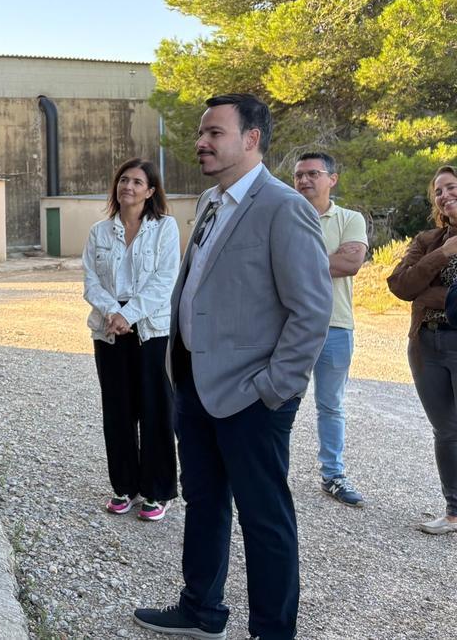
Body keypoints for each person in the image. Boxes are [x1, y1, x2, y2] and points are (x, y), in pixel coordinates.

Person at [133, 94, 331, 640]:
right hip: (195, 387)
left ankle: (272, 632)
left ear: (252, 139)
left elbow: (310, 311)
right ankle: (201, 610)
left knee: (264, 519)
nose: (201, 142)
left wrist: (274, 389)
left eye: (215, 133)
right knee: (203, 502)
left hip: (251, 396)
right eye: (201, 133)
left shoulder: (282, 206)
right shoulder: (212, 201)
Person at [82, 158, 179, 522]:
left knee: (155, 410)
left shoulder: (165, 229)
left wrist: (130, 314)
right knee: (118, 411)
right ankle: (124, 487)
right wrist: (112, 313)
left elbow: (165, 279)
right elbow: (91, 280)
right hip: (109, 330)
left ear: (151, 191)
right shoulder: (99, 231)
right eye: (124, 180)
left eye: (138, 182)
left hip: (151, 327)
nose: (129, 187)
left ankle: (157, 491)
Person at [293, 152, 368, 508]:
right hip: (289, 325)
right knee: (279, 399)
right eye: (299, 175)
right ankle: (268, 469)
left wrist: (298, 262)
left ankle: (333, 475)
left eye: (313, 174)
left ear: (332, 179)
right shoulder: (287, 215)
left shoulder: (350, 218)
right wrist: (326, 259)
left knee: (331, 405)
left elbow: (351, 263)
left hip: (335, 326)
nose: (305, 180)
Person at [389, 165, 457, 536]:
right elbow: (400, 285)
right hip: (427, 344)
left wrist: (431, 294)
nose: (445, 195)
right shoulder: (428, 239)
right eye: (439, 191)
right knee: (446, 430)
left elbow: (419, 290)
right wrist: (444, 253)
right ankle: (453, 511)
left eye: (451, 187)